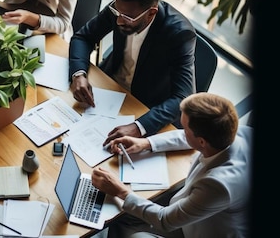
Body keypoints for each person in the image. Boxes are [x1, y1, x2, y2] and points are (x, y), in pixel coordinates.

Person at [93, 92, 252, 237]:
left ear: (202, 141)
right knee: (124, 216)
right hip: (193, 212)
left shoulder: (218, 185)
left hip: (199, 232)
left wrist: (120, 190)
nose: (182, 132)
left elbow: (165, 220)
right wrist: (145, 143)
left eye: (184, 129)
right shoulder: (231, 130)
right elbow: (188, 138)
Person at [68, 0, 196, 145]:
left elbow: (183, 97)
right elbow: (83, 37)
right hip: (108, 89)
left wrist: (139, 127)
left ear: (151, 14)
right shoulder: (121, 9)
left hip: (144, 106)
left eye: (127, 18)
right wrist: (78, 74)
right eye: (117, 13)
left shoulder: (179, 34)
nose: (119, 21)